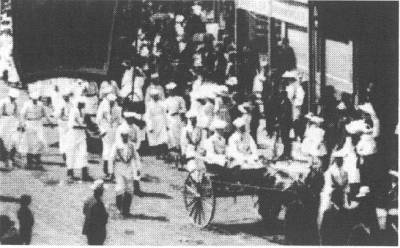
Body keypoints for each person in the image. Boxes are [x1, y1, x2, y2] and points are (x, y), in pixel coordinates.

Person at [109, 125, 142, 217]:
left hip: (129, 168)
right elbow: (111, 158)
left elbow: (136, 158)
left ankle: (126, 210)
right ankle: (119, 209)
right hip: (119, 168)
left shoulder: (132, 146)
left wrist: (138, 168)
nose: (125, 137)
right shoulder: (116, 146)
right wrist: (111, 172)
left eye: (126, 135)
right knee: (120, 188)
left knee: (129, 189)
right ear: (121, 136)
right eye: (123, 135)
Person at [116, 112, 144, 196]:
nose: (131, 120)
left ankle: (136, 188)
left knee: (137, 168)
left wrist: (135, 147)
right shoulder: (121, 128)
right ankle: (124, 189)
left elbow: (139, 139)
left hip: (134, 150)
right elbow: (118, 140)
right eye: (129, 119)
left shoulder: (136, 128)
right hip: (124, 151)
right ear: (126, 119)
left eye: (132, 119)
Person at [66, 97, 93, 182]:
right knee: (71, 154)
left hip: (81, 135)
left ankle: (84, 174)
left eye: (83, 104)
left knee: (84, 154)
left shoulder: (84, 111)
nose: (83, 105)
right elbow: (71, 125)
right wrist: (83, 126)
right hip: (73, 134)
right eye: (81, 103)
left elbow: (88, 123)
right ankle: (70, 174)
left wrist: (86, 129)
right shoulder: (73, 111)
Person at [96, 93, 122, 181]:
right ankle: (107, 171)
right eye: (110, 101)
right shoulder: (103, 107)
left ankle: (112, 173)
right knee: (106, 151)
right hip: (106, 132)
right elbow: (98, 120)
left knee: (113, 153)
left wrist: (118, 130)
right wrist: (102, 130)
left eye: (113, 101)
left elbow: (119, 121)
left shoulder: (117, 109)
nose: (111, 103)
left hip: (114, 132)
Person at [20, 91, 49, 170]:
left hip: (38, 123)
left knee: (40, 141)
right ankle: (29, 162)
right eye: (33, 100)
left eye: (36, 100)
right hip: (29, 123)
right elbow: (22, 115)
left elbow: (45, 114)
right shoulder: (27, 105)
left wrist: (49, 121)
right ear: (31, 99)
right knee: (29, 143)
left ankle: (38, 161)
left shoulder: (40, 104)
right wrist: (22, 124)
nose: (35, 101)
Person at [144, 88, 168, 159]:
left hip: (161, 121)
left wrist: (167, 124)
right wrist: (149, 126)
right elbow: (147, 116)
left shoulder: (162, 103)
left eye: (156, 96)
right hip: (153, 122)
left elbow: (165, 114)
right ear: (151, 96)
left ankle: (163, 153)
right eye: (154, 96)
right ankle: (157, 153)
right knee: (155, 138)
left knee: (163, 137)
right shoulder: (149, 104)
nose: (155, 97)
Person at [82, 179, 109, 245]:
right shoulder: (99, 204)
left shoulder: (87, 200)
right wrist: (107, 213)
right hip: (98, 231)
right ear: (101, 191)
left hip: (88, 229)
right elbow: (104, 219)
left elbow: (84, 212)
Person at [164, 82, 187, 154]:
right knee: (171, 136)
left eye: (172, 90)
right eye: (169, 90)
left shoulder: (180, 99)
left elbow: (184, 109)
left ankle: (181, 151)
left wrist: (180, 112)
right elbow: (165, 112)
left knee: (179, 135)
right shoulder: (166, 100)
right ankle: (174, 153)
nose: (170, 92)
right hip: (170, 119)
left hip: (178, 118)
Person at [54, 87, 73, 163]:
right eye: (65, 96)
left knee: (69, 138)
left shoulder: (72, 104)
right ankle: (64, 153)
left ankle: (69, 153)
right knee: (63, 139)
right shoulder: (60, 104)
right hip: (62, 124)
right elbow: (57, 115)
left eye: (67, 96)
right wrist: (60, 113)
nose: (66, 98)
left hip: (69, 123)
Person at [0, 88, 20, 160]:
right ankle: (2, 155)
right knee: (2, 137)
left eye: (14, 97)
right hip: (3, 121)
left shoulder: (14, 103)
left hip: (11, 121)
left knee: (13, 138)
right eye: (12, 97)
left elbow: (17, 114)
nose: (13, 99)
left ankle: (10, 155)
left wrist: (19, 123)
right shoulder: (3, 102)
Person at [277, 90, 293, 160]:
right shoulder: (285, 101)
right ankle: (286, 153)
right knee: (284, 139)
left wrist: (279, 121)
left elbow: (285, 114)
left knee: (286, 139)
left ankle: (287, 153)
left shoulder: (286, 102)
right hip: (284, 123)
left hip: (285, 123)